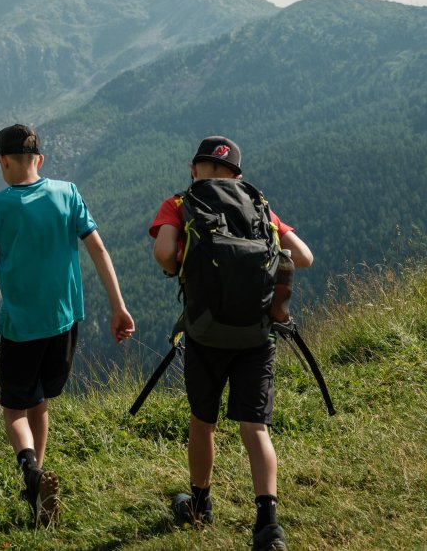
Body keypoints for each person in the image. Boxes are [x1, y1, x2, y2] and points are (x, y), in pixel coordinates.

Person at [0, 123, 135, 528]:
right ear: (39, 160)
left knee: (14, 409)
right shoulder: (68, 192)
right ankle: (38, 488)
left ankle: (30, 471)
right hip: (65, 324)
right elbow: (98, 249)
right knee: (40, 401)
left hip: (22, 328)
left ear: (3, 162)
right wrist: (119, 307)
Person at [148, 136, 313, 551]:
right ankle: (268, 524)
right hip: (256, 336)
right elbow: (304, 257)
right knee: (255, 428)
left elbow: (164, 252)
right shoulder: (259, 205)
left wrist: (183, 266)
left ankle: (201, 505)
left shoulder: (180, 203)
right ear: (238, 174)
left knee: (203, 422)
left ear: (194, 168)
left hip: (205, 333)